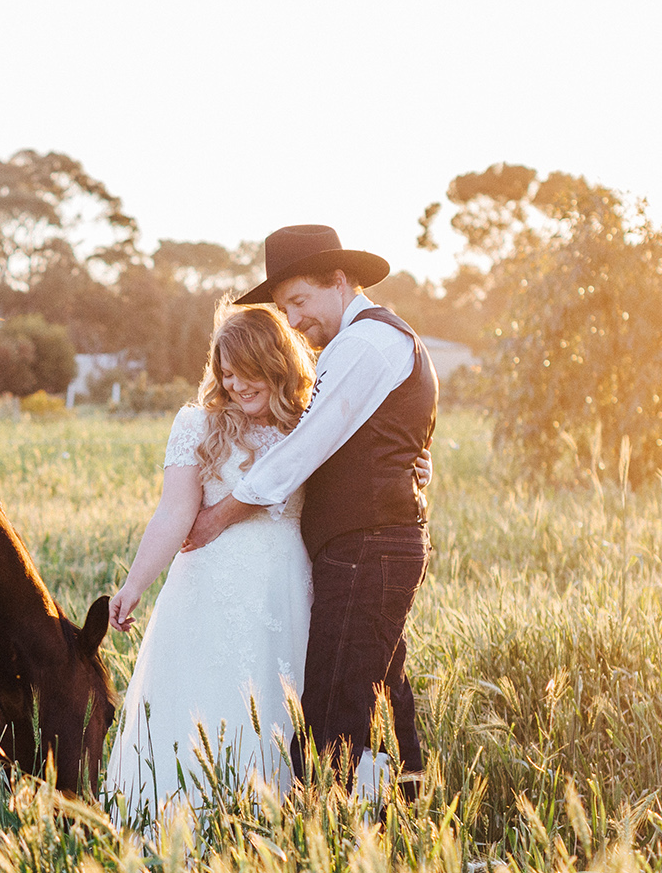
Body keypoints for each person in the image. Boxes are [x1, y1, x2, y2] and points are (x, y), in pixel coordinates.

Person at [183, 224, 438, 800]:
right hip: (365, 543)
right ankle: (397, 809)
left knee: (333, 701)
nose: (293, 321)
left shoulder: (365, 344)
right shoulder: (373, 343)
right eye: (283, 308)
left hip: (369, 545)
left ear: (340, 281)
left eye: (299, 302)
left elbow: (304, 449)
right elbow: (387, 436)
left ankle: (330, 832)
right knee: (378, 689)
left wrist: (219, 515)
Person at [105, 304, 317, 821]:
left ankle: (272, 821)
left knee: (278, 705)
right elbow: (174, 511)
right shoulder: (198, 423)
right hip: (209, 585)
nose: (238, 388)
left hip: (284, 587)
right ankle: (184, 819)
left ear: (279, 366)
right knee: (204, 698)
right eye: (228, 375)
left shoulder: (312, 421)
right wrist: (134, 584)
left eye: (252, 377)